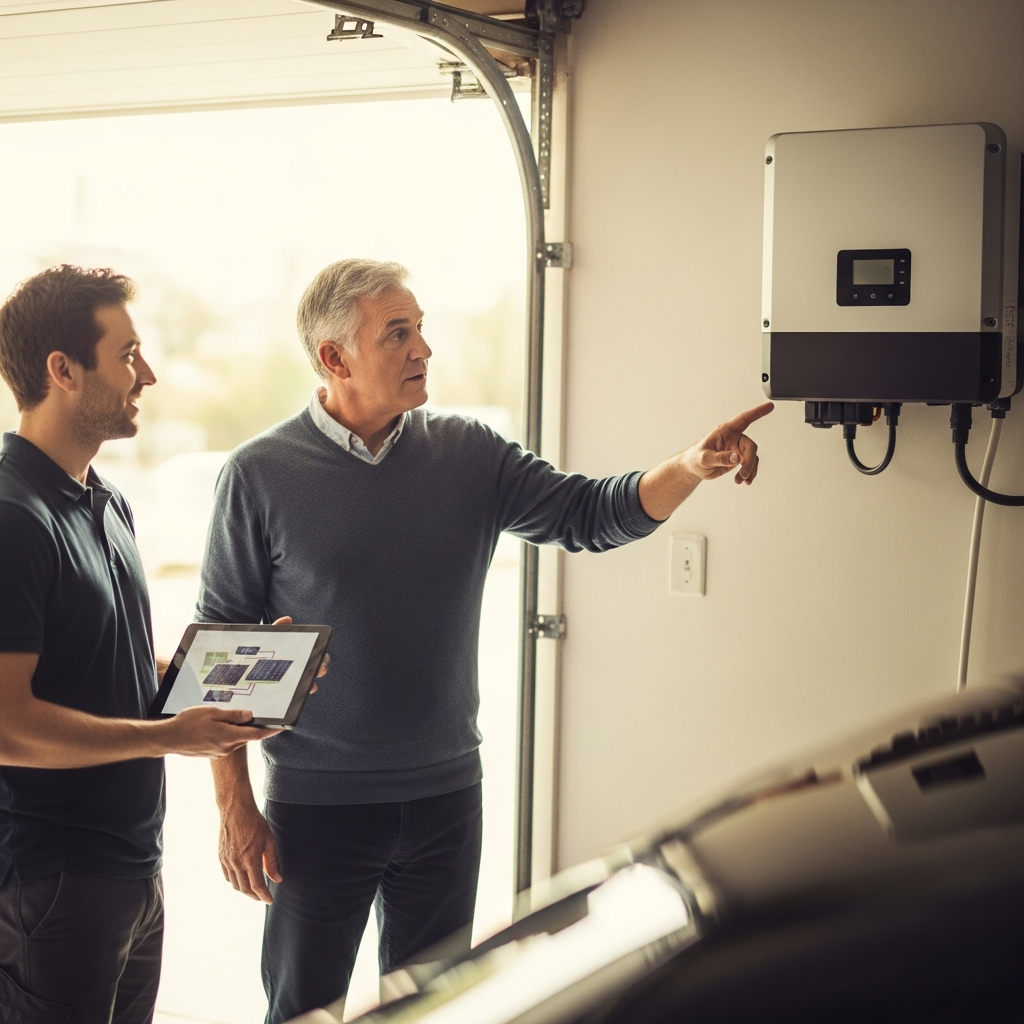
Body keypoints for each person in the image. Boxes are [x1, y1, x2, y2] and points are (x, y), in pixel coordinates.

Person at [200, 258, 772, 1023]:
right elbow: (222, 659)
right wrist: (235, 808)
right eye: (397, 334)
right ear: (333, 358)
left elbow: (589, 514)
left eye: (422, 329)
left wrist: (689, 467)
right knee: (306, 1012)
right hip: (318, 810)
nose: (423, 350)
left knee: (437, 1012)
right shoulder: (257, 476)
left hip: (445, 802)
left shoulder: (467, 453)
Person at [0, 265, 283, 1024]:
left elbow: (115, 664)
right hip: (50, 882)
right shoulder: (12, 518)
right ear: (63, 371)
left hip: (131, 870)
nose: (147, 374)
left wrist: (232, 680)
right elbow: (7, 726)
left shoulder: (106, 501)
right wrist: (169, 735)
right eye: (127, 354)